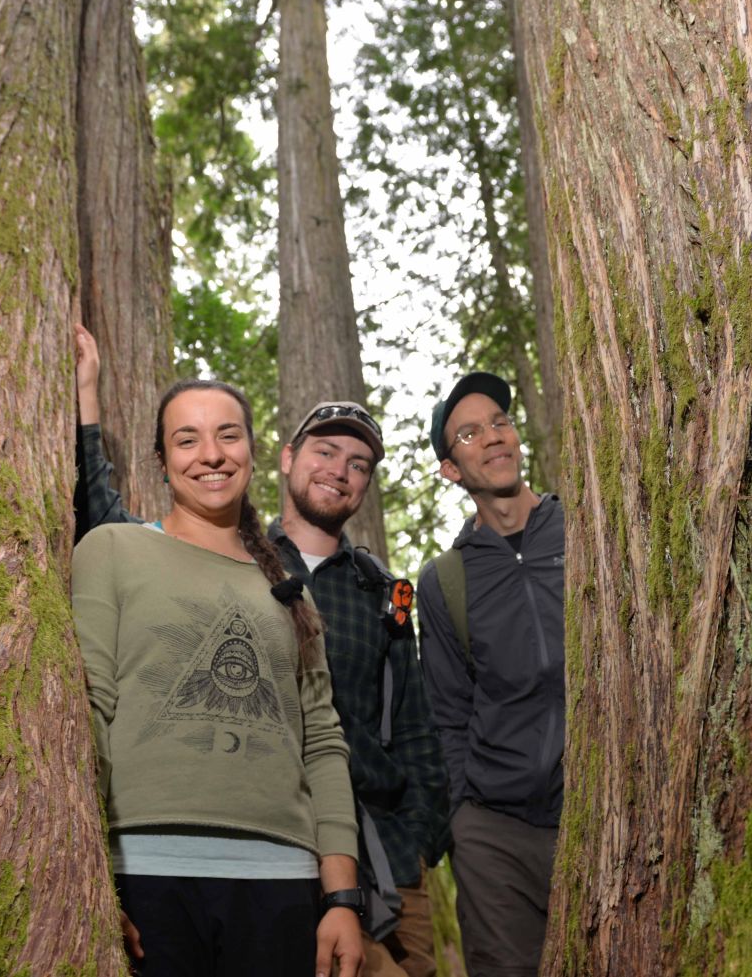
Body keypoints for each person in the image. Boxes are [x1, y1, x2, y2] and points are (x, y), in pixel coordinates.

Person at [74, 325, 449, 977]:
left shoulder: (290, 591)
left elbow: (323, 743)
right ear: (161, 459)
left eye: (228, 434)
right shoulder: (114, 549)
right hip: (146, 875)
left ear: (251, 450)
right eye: (186, 438)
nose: (210, 454)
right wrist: (90, 879)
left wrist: (339, 898)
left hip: (284, 884)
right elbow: (87, 710)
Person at [416, 373, 564, 977]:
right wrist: (463, 825)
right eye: (470, 433)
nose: (493, 437)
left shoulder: (585, 529)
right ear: (452, 469)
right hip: (496, 830)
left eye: (499, 422)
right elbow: (448, 713)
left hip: (604, 802)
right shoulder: (445, 580)